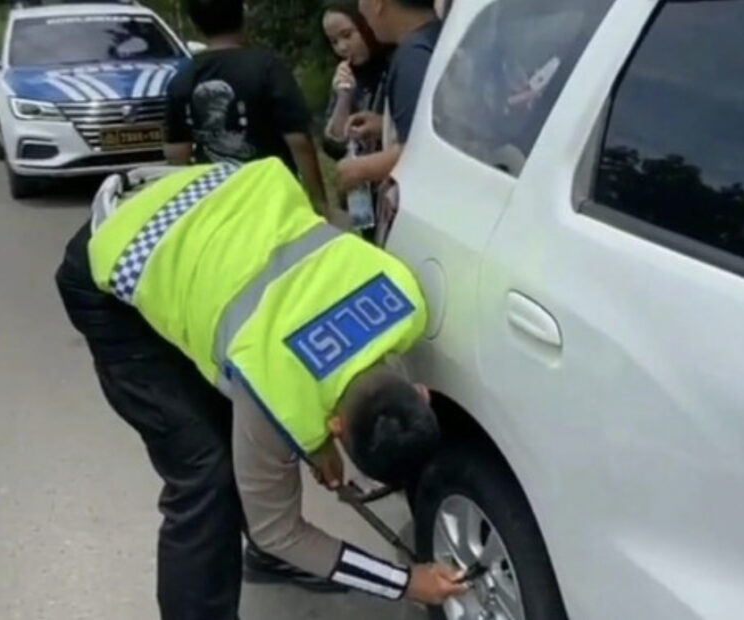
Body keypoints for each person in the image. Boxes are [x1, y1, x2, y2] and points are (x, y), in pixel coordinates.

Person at [54, 158, 467, 620]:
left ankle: (267, 563)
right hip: (120, 252)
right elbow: (281, 530)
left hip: (215, 196)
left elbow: (308, 355)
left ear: (422, 392)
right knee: (206, 472)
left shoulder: (402, 298)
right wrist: (408, 583)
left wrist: (314, 444)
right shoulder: (271, 384)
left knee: (250, 433)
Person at [163, 0, 329, 215]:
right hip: (274, 196)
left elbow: (177, 153)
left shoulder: (183, 79)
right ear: (243, 15)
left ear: (195, 25)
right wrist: (319, 202)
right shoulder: (268, 67)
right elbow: (298, 140)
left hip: (216, 199)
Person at [335, 0, 442, 193]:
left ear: (377, 4)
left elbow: (424, 151)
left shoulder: (412, 58)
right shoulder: (438, 35)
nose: (359, 9)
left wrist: (361, 169)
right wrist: (383, 124)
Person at [320, 0, 390, 162]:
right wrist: (344, 98)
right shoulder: (347, 76)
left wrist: (382, 126)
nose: (342, 47)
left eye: (347, 35)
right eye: (334, 42)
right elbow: (334, 148)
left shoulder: (394, 65)